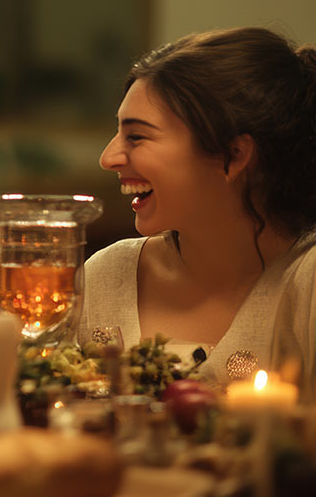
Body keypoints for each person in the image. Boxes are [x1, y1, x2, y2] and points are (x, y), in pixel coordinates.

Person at [79, 26, 316, 390]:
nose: (107, 158)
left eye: (137, 136)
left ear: (234, 156)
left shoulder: (306, 282)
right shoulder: (106, 278)